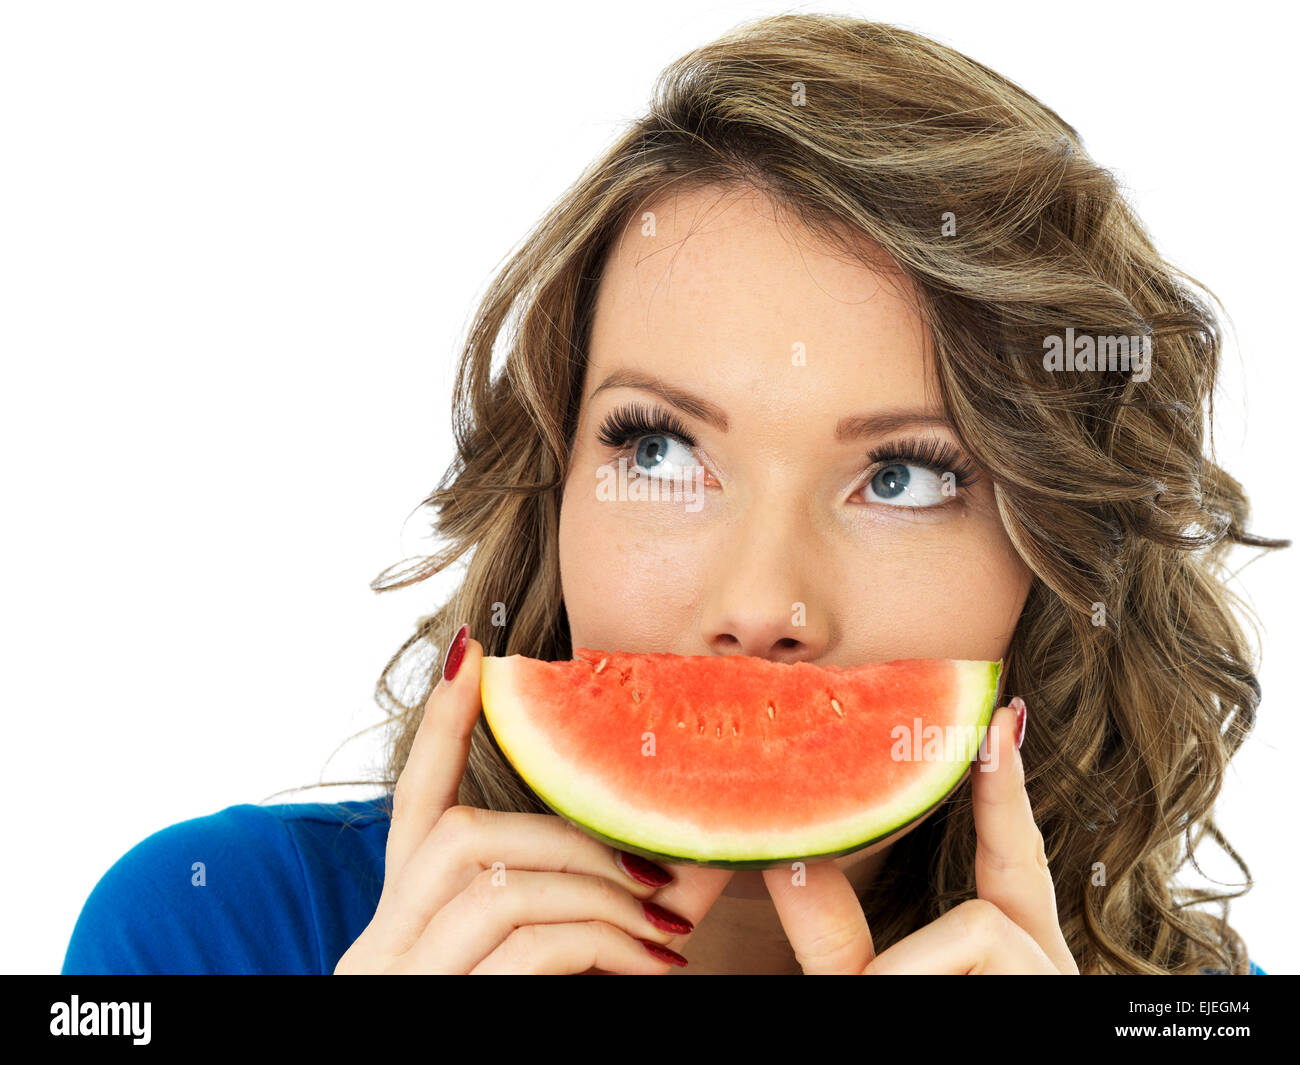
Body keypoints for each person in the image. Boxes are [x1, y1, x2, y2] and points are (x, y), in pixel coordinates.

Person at [63, 13, 1281, 976]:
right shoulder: (205, 933)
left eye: (903, 477)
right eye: (659, 452)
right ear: (551, 493)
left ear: (1055, 555)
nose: (761, 606)